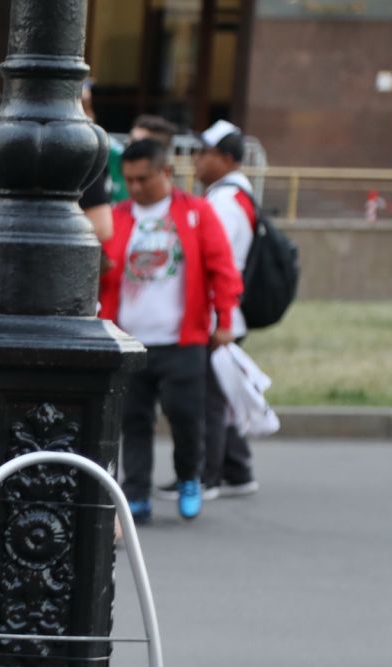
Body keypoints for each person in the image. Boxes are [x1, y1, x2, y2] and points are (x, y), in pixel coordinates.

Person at [99, 137, 242, 524]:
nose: (136, 187)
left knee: (185, 417)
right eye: (129, 179)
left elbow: (223, 270)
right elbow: (100, 273)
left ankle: (189, 477)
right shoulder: (118, 215)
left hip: (183, 341)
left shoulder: (197, 213)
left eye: (144, 178)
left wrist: (225, 321)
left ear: (166, 172)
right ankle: (136, 491)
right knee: (134, 419)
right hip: (128, 341)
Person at [194, 120, 261, 499]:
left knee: (210, 397)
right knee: (221, 389)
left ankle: (208, 474)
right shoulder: (233, 197)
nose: (198, 161)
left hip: (218, 313)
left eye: (205, 153)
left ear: (227, 159)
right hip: (226, 311)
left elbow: (214, 264)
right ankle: (237, 469)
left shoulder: (224, 202)